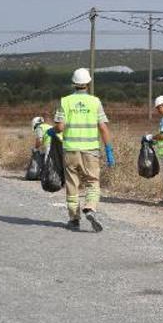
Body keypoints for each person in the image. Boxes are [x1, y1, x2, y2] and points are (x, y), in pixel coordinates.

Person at [53, 68, 115, 232]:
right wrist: (109, 150)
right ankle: (90, 208)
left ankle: (74, 220)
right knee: (92, 182)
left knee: (72, 185)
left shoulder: (65, 101)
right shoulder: (95, 102)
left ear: (74, 83)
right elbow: (103, 128)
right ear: (88, 83)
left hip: (70, 150)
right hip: (90, 150)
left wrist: (54, 130)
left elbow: (59, 127)